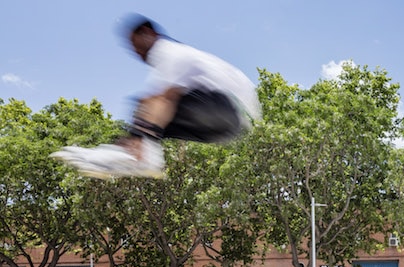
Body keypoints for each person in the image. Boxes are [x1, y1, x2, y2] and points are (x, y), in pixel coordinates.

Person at [52, 15, 261, 178]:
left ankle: (141, 157)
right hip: (231, 127)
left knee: (151, 103)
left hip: (226, 108)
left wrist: (136, 139)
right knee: (156, 120)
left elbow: (165, 98)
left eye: (136, 46)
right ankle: (141, 155)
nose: (137, 53)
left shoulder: (168, 51)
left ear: (147, 33)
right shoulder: (186, 57)